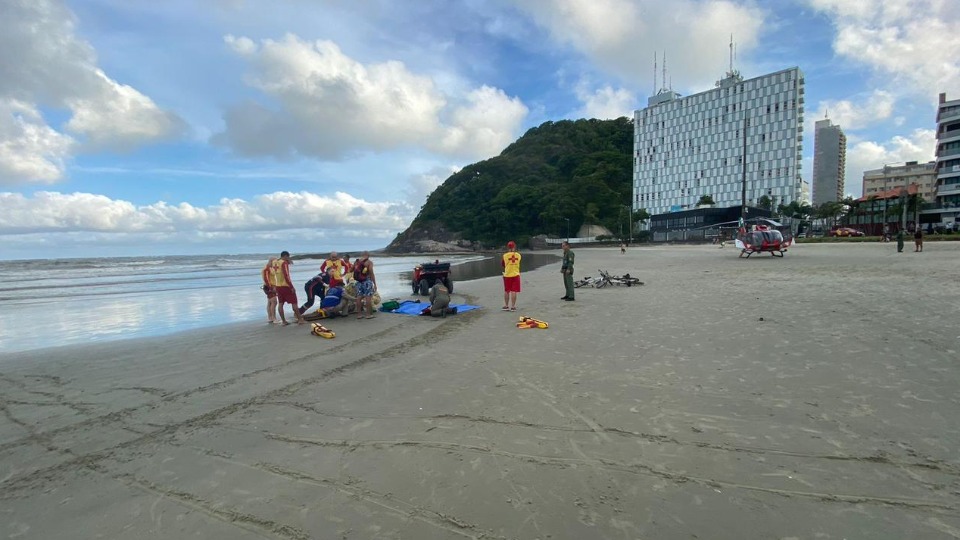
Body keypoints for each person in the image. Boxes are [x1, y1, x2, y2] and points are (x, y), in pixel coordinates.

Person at [270, 251, 305, 325]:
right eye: (288, 257)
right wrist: (291, 286)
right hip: (286, 286)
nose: (289, 258)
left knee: (281, 303)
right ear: (285, 256)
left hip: (278, 286)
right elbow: (286, 275)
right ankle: (300, 320)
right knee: (294, 302)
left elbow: (276, 270)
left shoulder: (275, 262)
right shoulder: (284, 263)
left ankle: (283, 321)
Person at [353, 251, 378, 319]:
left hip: (358, 282)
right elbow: (371, 273)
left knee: (359, 297)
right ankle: (368, 315)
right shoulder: (369, 262)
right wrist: (375, 284)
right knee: (368, 298)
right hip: (367, 281)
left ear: (362, 255)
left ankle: (359, 314)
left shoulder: (357, 261)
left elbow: (351, 270)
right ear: (368, 255)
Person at [501, 240, 521, 311]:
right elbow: (518, 262)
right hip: (516, 274)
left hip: (507, 275)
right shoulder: (518, 255)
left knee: (507, 291)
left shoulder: (505, 256)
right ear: (514, 247)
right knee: (514, 291)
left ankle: (506, 306)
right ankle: (513, 306)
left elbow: (503, 265)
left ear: (507, 247)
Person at [261, 257, 279, 324]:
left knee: (270, 302)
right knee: (274, 302)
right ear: (271, 261)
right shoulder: (266, 269)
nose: (275, 264)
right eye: (275, 262)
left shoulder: (271, 268)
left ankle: (270, 318)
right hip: (269, 286)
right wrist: (271, 288)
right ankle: (273, 318)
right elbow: (266, 279)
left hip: (272, 285)